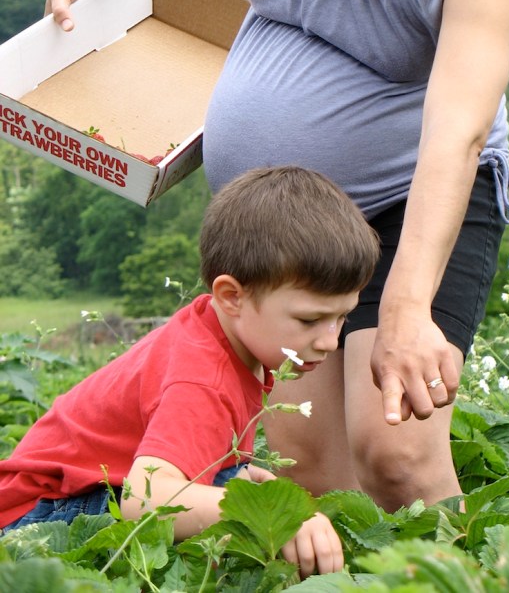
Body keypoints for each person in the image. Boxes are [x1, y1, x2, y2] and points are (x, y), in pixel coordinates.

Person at [42, 0, 509, 512]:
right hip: (288, 217)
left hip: (413, 195)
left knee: (397, 455)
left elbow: (457, 128)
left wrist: (407, 309)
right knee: (307, 472)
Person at [0, 166, 380, 578]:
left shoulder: (220, 331)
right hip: (33, 519)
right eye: (310, 320)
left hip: (72, 493)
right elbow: (143, 499)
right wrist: (274, 515)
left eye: (342, 317)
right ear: (231, 296)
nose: (330, 340)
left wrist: (232, 472)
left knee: (231, 485)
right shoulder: (203, 378)